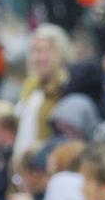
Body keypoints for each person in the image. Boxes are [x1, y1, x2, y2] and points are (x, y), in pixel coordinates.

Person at [13, 24, 72, 158]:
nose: (38, 58)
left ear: (60, 53)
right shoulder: (31, 85)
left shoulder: (64, 87)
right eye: (34, 51)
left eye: (44, 51)